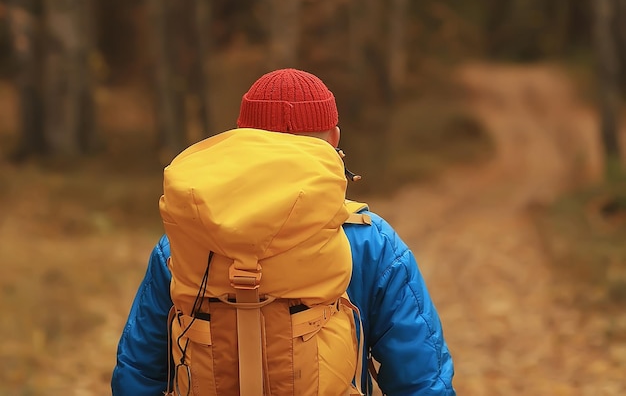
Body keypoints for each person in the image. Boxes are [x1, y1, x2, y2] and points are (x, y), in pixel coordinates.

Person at [112, 68, 456, 396]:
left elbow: (138, 372)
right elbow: (421, 379)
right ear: (334, 139)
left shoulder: (184, 240)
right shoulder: (371, 241)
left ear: (240, 141)